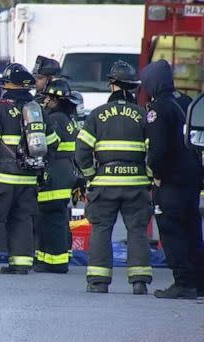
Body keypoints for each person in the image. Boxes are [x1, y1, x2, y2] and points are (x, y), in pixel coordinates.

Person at [0, 63, 60, 274]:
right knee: (22, 219)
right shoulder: (38, 110)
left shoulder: (1, 108)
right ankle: (21, 264)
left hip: (2, 178)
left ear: (9, 85)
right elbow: (53, 143)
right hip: (28, 178)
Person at [75, 60, 152, 294]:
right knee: (137, 230)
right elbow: (154, 151)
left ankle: (98, 282)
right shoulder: (143, 115)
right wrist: (148, 177)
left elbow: (81, 151)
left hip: (104, 184)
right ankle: (139, 281)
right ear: (133, 88)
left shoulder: (97, 115)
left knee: (101, 229)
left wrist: (90, 177)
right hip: (136, 184)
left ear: (112, 85)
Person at [140, 59, 204, 299]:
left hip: (171, 180)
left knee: (171, 230)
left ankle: (183, 283)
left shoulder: (158, 109)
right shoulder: (186, 101)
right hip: (193, 176)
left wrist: (155, 175)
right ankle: (199, 282)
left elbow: (157, 150)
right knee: (192, 229)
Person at [34, 79, 79, 273]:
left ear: (56, 100)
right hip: (65, 171)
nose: (45, 102)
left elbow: (49, 146)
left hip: (54, 173)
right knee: (58, 217)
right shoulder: (69, 119)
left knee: (51, 218)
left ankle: (56, 262)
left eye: (48, 99)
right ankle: (49, 259)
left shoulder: (55, 119)